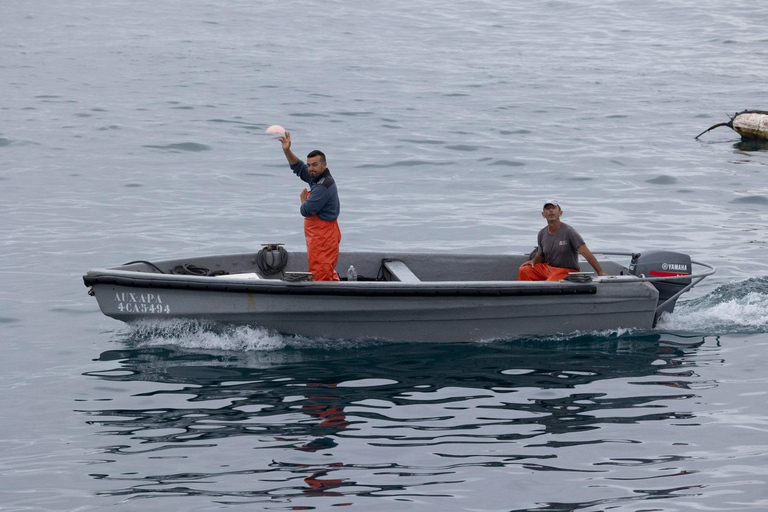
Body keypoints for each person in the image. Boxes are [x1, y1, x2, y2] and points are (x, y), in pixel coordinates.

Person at [278, 131, 341, 281]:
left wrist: (304, 200)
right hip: (322, 235)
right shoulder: (317, 178)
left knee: (321, 272)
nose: (311, 168)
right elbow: (298, 168)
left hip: (323, 237)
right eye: (309, 165)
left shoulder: (322, 186)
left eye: (315, 165)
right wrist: (287, 150)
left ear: (324, 165)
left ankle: (325, 302)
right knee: (323, 269)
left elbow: (306, 211)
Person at [518, 200, 608, 281]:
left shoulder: (569, 231)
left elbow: (586, 253)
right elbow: (541, 255)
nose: (551, 211)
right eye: (548, 208)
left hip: (566, 270)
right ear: (543, 214)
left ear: (560, 213)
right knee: (524, 270)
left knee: (551, 281)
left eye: (553, 208)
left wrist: (600, 272)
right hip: (548, 268)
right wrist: (533, 261)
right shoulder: (542, 233)